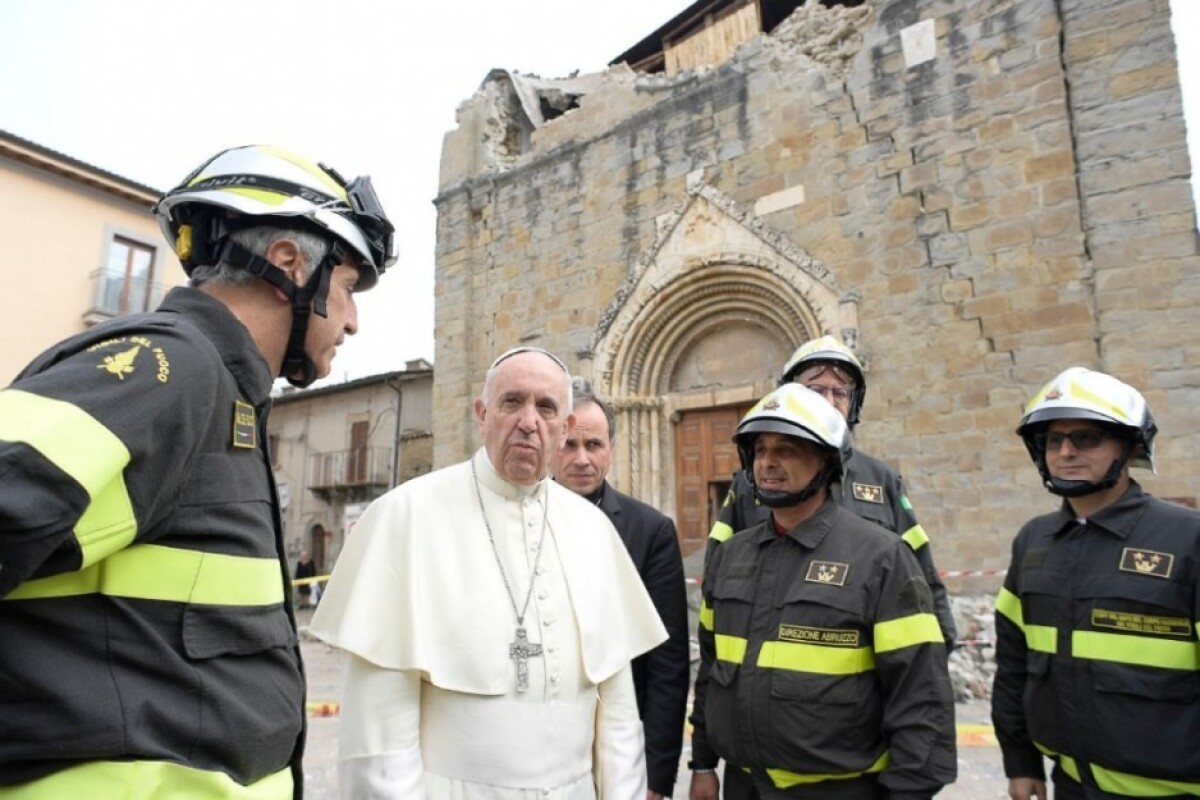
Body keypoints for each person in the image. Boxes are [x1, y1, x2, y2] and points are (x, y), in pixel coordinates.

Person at [0, 144, 397, 797]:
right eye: (350, 288)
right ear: (289, 265)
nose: (352, 321)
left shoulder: (228, 400)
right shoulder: (172, 370)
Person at [310, 347, 667, 800]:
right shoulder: (406, 516)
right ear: (482, 414)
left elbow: (618, 717)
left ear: (564, 428)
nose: (528, 421)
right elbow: (379, 734)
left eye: (546, 407)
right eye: (512, 402)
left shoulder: (594, 530)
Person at [689, 384, 956, 800]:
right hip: (744, 788)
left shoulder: (882, 557)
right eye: (760, 450)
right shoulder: (732, 555)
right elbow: (711, 668)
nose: (768, 463)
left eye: (787, 449)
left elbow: (921, 695)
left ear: (828, 463)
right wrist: (703, 762)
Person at [993, 366, 1200, 800]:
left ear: (1128, 447)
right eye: (1053, 439)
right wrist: (1022, 761)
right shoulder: (1034, 540)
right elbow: (1014, 664)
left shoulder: (1187, 539)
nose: (1065, 451)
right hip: (1071, 784)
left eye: (1086, 438)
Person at [707, 335, 957, 649]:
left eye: (839, 392)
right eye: (815, 390)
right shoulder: (753, 481)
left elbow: (920, 567)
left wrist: (941, 643)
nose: (829, 400)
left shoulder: (882, 479)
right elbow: (719, 566)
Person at [551, 378, 690, 800]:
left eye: (593, 445)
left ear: (611, 448)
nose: (581, 459)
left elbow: (667, 665)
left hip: (621, 748)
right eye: (569, 444)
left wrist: (656, 777)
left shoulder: (651, 532)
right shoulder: (512, 522)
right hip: (542, 747)